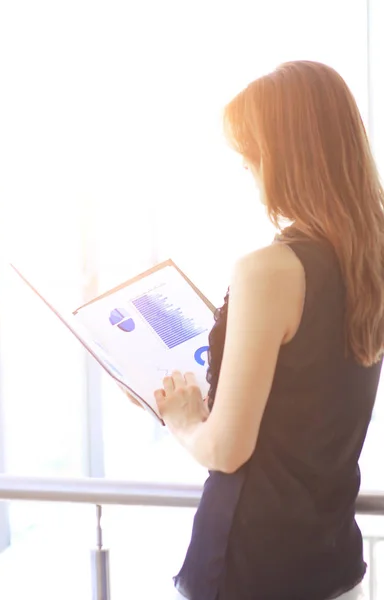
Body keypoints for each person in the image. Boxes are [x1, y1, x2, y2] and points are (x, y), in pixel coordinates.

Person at [131, 60, 384, 599]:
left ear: (285, 158)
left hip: (251, 568)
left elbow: (226, 450)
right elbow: (305, 402)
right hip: (332, 561)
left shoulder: (268, 271)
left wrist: (181, 418)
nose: (250, 173)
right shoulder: (370, 263)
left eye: (251, 159)